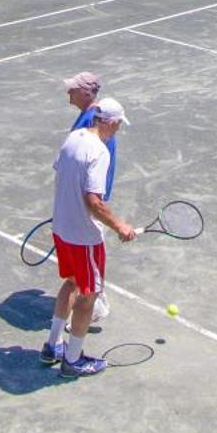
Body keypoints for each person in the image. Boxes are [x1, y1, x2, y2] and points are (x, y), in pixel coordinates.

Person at [41, 98, 136, 377]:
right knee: (87, 296)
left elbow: (60, 172)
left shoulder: (73, 138)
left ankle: (52, 346)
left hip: (61, 228)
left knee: (70, 283)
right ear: (109, 121)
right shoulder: (100, 151)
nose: (118, 128)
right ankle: (72, 360)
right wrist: (119, 226)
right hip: (83, 237)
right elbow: (93, 201)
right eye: (118, 123)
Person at [64, 71, 118, 323]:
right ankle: (92, 300)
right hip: (86, 200)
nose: (68, 93)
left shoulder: (91, 122)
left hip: (89, 202)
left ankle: (91, 305)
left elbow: (81, 165)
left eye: (72, 89)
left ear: (86, 93)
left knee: (86, 270)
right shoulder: (95, 118)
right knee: (81, 272)